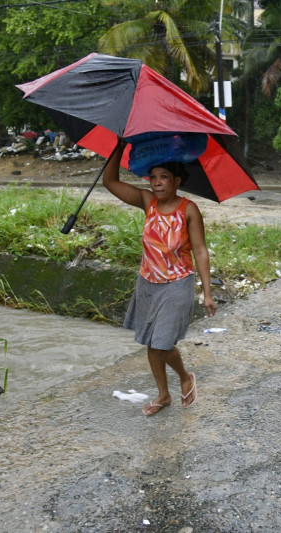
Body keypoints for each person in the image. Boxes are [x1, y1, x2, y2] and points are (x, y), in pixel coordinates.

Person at [102, 138, 217, 416]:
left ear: (177, 180)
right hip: (148, 283)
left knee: (163, 343)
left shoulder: (188, 209)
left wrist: (207, 292)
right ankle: (163, 395)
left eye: (164, 177)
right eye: (153, 177)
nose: (156, 183)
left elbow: (200, 251)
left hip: (178, 284)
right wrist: (117, 147)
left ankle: (186, 376)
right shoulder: (147, 201)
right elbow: (110, 182)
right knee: (151, 345)